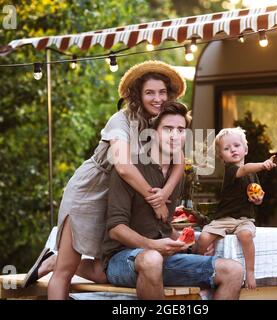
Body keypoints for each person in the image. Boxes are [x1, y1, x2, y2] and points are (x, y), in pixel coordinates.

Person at [22, 61, 188, 300]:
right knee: (65, 270)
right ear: (138, 94)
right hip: (91, 191)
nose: (157, 98)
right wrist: (155, 200)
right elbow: (123, 167)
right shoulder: (120, 121)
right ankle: (56, 262)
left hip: (121, 195)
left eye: (162, 92)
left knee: (103, 272)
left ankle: (54, 259)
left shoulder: (158, 122)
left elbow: (180, 161)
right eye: (150, 92)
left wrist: (165, 192)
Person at [102, 101, 244, 300]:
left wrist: (191, 242)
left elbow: (163, 227)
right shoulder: (130, 169)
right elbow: (115, 229)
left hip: (164, 259)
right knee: (151, 259)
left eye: (180, 129)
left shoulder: (178, 173)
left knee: (234, 271)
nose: (175, 135)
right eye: (168, 129)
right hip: (123, 259)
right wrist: (152, 245)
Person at [196, 127, 276, 290]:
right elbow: (245, 169)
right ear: (221, 157)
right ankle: (198, 267)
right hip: (223, 219)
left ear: (245, 149)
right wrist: (264, 164)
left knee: (246, 235)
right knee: (203, 238)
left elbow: (257, 198)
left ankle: (250, 272)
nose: (232, 149)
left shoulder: (253, 175)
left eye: (237, 145)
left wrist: (258, 199)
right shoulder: (232, 169)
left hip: (244, 219)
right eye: (227, 148)